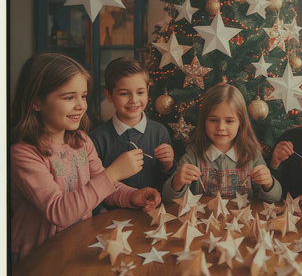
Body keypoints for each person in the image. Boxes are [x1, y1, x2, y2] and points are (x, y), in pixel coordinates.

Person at [10, 53, 161, 263]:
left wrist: (133, 196)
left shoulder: (81, 141)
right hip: (39, 260)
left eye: (83, 96)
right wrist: (114, 172)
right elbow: (59, 212)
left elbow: (103, 187)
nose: (81, 105)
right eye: (69, 97)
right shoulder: (24, 154)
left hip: (78, 246)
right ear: (36, 102)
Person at [162, 83, 281, 202]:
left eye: (229, 121)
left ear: (241, 123)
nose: (221, 127)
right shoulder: (193, 154)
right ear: (204, 121)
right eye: (213, 120)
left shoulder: (252, 155)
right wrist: (177, 183)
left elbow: (275, 197)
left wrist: (268, 184)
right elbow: (168, 198)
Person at [90, 57, 176, 191]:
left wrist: (168, 165)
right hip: (114, 211)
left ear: (148, 90)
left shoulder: (160, 132)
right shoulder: (97, 139)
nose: (134, 100)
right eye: (124, 93)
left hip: (153, 209)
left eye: (140, 92)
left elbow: (166, 185)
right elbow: (94, 186)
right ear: (109, 96)